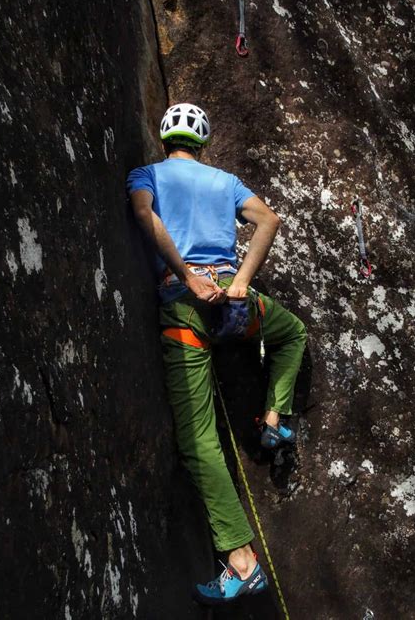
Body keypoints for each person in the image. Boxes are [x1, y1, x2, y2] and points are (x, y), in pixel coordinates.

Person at [127, 103, 307, 605]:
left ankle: (242, 560)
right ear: (203, 141)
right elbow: (268, 220)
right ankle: (275, 416)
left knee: (198, 438)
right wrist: (241, 282)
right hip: (234, 303)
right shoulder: (225, 181)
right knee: (292, 332)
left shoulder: (147, 174)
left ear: (165, 138)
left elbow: (144, 214)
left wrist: (186, 276)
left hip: (184, 308)